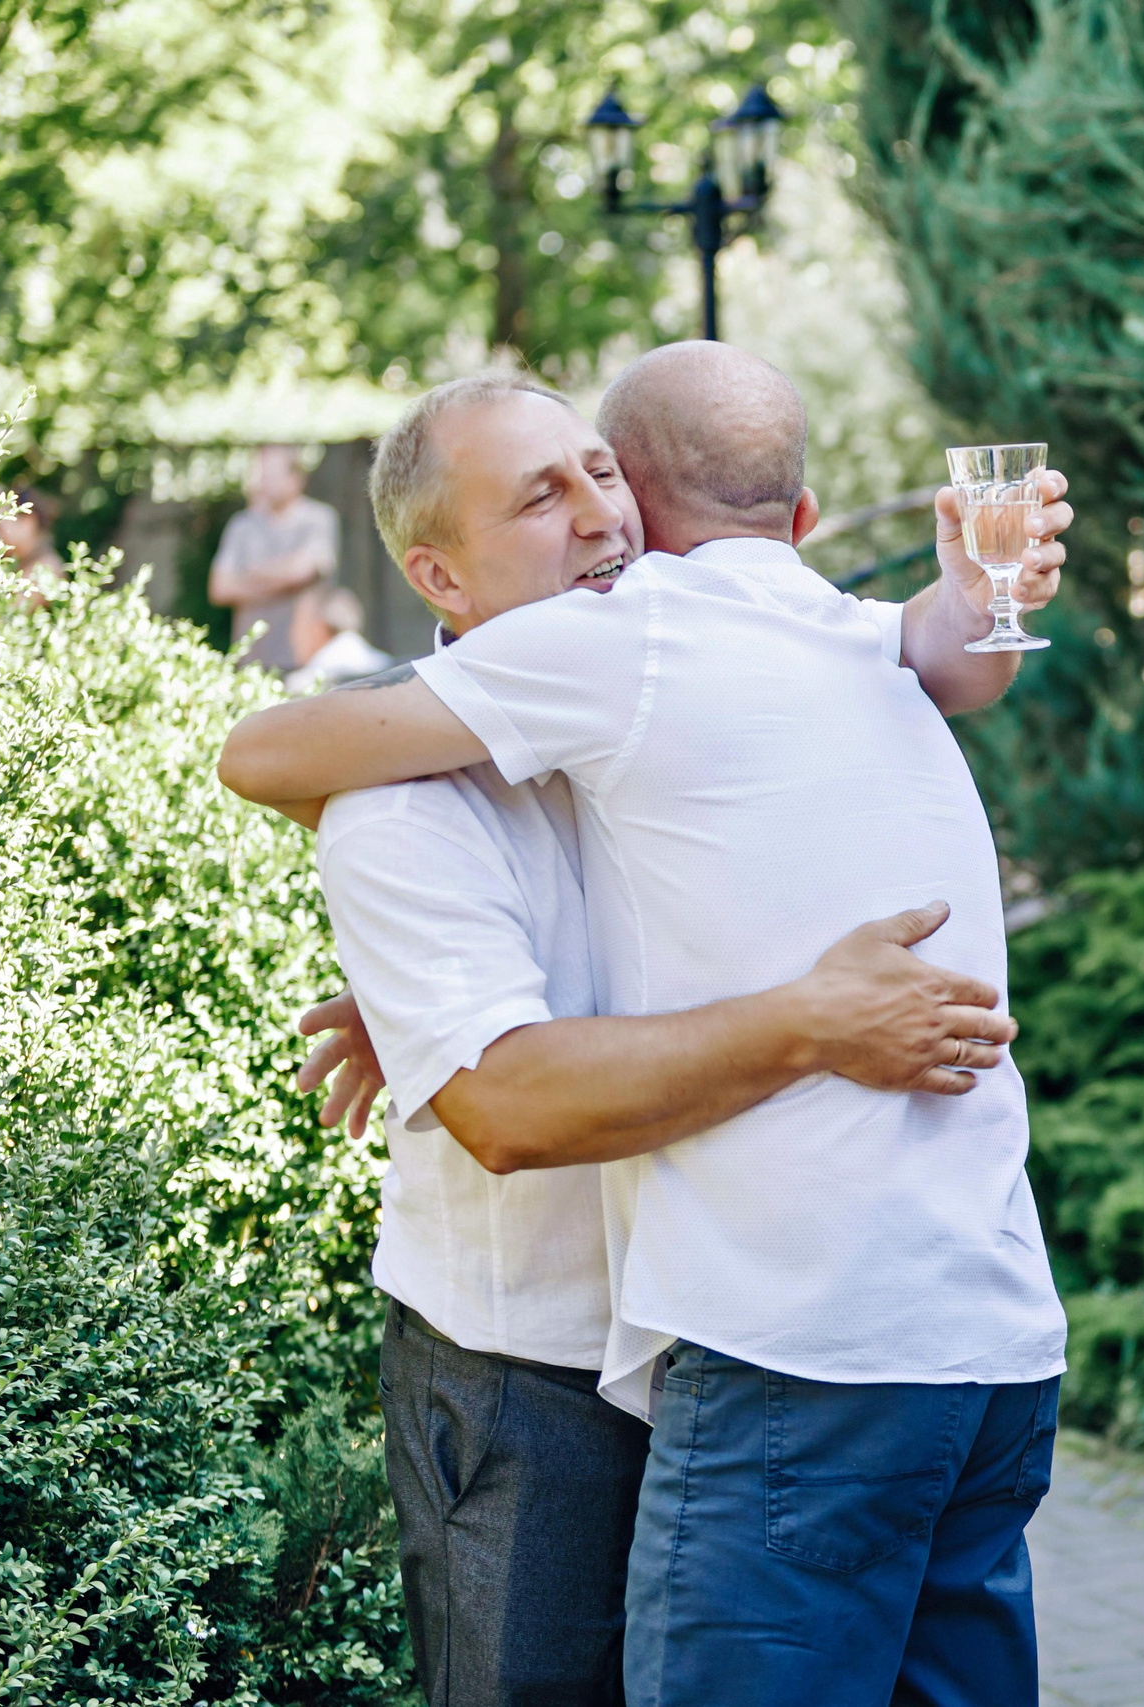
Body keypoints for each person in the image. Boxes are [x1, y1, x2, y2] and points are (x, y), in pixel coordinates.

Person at [218, 344, 1072, 1707]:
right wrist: (801, 1020)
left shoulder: (699, 664)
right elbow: (506, 1104)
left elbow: (919, 666)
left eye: (605, 471)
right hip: (540, 1379)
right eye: (544, 495)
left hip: (749, 1342)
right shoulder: (412, 791)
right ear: (437, 575)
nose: (604, 515)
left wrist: (976, 599)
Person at [210, 444, 339, 671]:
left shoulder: (318, 519)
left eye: (272, 474)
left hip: (303, 662)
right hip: (251, 663)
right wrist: (283, 583)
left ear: (295, 478)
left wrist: (251, 573)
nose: (264, 481)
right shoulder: (243, 524)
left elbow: (301, 572)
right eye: (262, 473)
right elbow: (220, 589)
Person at [283, 584, 396, 693]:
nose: (291, 638)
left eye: (297, 626)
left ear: (318, 629)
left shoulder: (305, 685)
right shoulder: (393, 670)